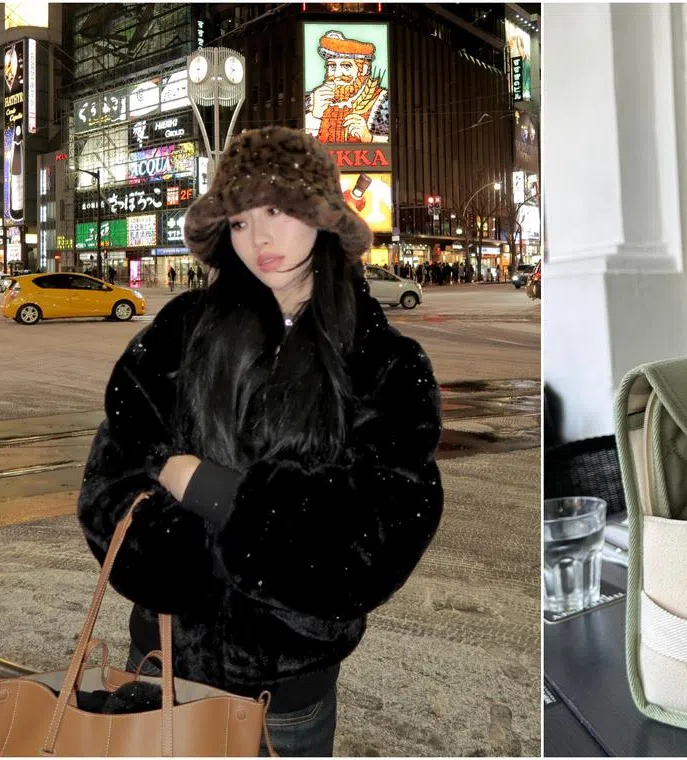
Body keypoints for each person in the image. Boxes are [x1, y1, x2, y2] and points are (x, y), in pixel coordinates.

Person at [77, 126, 444, 757]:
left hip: (285, 697)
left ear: (322, 217)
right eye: (241, 221)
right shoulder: (182, 330)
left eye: (276, 211)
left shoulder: (381, 360)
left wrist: (211, 490)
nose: (259, 239)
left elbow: (384, 531)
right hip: (159, 663)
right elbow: (110, 482)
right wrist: (180, 561)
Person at [304, 31, 389, 144]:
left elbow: (399, 140)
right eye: (332, 66)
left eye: (346, 66)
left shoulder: (384, 101)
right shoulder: (310, 100)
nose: (337, 74)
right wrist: (314, 116)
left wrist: (370, 138)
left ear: (364, 69)